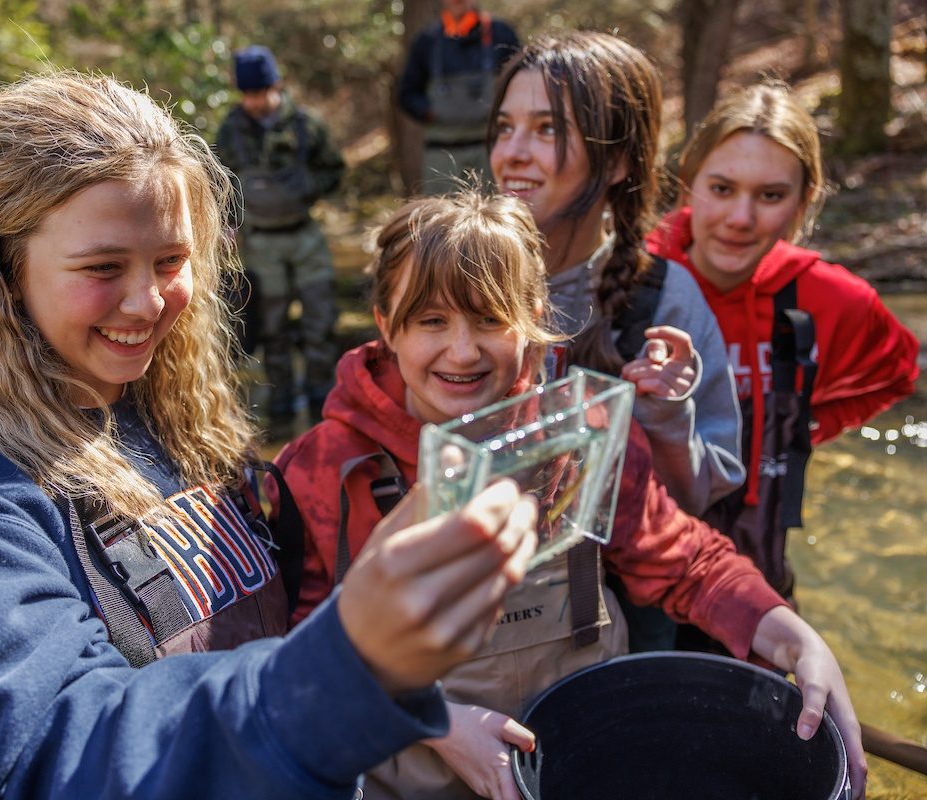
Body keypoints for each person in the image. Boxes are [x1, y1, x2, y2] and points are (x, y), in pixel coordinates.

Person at [0, 72, 545, 800]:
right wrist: (350, 665)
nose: (148, 302)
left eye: (171, 261)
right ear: (4, 267)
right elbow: (54, 754)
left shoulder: (173, 423)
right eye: (102, 268)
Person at [275, 190, 867, 800]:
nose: (462, 351)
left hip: (580, 761)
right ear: (384, 325)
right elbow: (290, 666)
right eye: (431, 321)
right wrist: (439, 722)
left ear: (533, 315)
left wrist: (795, 637)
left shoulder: (583, 433)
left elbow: (686, 562)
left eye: (489, 319)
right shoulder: (322, 470)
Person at [487, 31, 747, 651]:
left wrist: (665, 416)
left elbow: (691, 506)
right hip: (482, 635)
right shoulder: (463, 278)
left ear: (621, 161)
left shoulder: (664, 302)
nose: (512, 154)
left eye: (548, 129)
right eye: (504, 127)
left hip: (619, 632)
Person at [648, 80, 920, 610]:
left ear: (803, 204)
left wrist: (802, 430)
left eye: (770, 196)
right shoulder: (635, 278)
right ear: (687, 186)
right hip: (641, 565)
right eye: (722, 189)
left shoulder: (831, 298)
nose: (740, 218)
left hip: (757, 562)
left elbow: (897, 370)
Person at [214, 45, 344, 431]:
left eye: (261, 92)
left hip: (305, 238)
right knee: (272, 328)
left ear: (278, 85)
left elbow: (334, 169)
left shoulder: (306, 125)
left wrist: (308, 187)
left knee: (320, 320)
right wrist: (227, 224)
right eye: (248, 94)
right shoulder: (230, 130)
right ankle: (283, 406)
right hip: (260, 242)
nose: (255, 102)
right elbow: (220, 183)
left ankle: (324, 398)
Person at [398, 0, 519, 194]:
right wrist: (430, 113)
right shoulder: (426, 42)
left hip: (489, 150)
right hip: (442, 155)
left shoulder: (500, 34)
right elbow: (407, 93)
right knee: (441, 220)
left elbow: (519, 82)